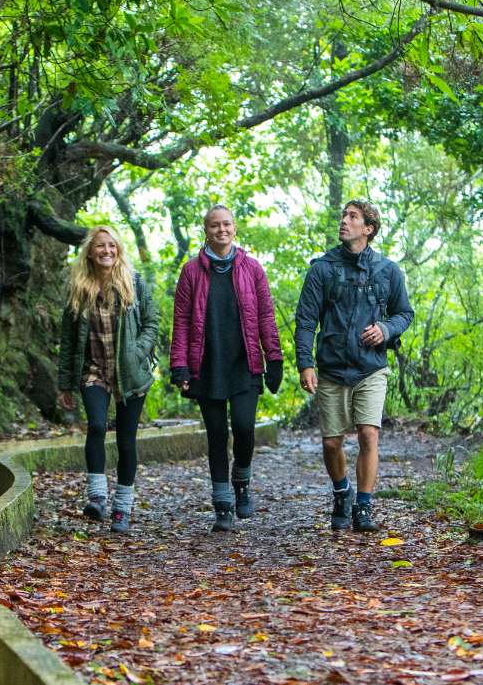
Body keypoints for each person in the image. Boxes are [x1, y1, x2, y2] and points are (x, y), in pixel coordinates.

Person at [294, 199, 413, 533]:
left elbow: (404, 313)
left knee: (368, 434)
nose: (343, 221)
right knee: (332, 442)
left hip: (371, 367)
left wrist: (386, 330)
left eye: (352, 217)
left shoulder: (388, 271)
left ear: (368, 228)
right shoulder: (322, 269)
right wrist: (306, 363)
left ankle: (363, 505)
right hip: (331, 367)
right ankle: (341, 490)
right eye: (343, 215)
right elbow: (305, 320)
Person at [170, 206, 283, 533]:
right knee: (217, 435)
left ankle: (242, 483)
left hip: (244, 362)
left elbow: (265, 316)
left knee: (245, 428)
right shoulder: (191, 271)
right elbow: (181, 322)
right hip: (206, 366)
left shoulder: (252, 269)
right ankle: (222, 504)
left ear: (235, 228)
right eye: (215, 225)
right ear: (206, 230)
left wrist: (273, 358)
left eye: (227, 224)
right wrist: (180, 366)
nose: (222, 230)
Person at [56, 226, 159, 535]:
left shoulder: (134, 282)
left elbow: (153, 322)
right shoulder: (79, 288)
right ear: (90, 251)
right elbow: (68, 339)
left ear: (118, 250)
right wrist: (64, 384)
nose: (106, 251)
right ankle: (97, 496)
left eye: (111, 246)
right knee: (98, 426)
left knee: (127, 440)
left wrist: (137, 352)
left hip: (130, 374)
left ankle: (122, 509)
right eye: (100, 246)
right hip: (93, 372)